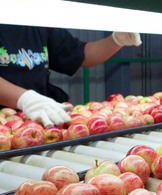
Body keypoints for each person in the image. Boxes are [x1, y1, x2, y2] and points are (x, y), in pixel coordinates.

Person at [0, 24, 141, 128]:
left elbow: (80, 54)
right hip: (4, 123)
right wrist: (26, 99)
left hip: (40, 119)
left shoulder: (36, 24)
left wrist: (115, 41)